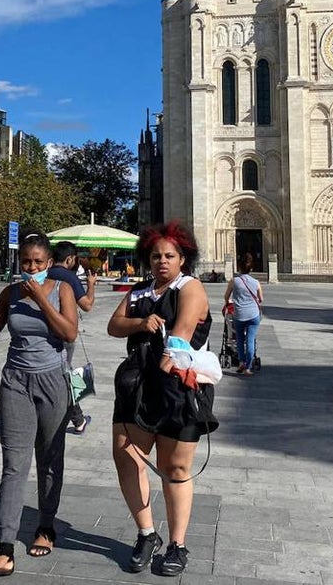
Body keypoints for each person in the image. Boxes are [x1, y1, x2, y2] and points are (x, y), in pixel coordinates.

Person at [0, 233, 78, 576]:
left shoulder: (60, 289)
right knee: (13, 462)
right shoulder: (10, 294)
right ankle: (5, 545)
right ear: (19, 263)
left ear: (49, 263)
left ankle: (46, 525)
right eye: (26, 262)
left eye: (38, 262)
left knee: (50, 456)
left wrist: (42, 299)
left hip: (52, 380)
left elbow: (69, 333)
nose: (32, 268)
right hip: (15, 382)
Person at [108, 221, 216, 577]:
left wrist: (168, 360)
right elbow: (114, 325)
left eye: (169, 255)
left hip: (177, 389)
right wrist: (140, 324)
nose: (162, 262)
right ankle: (146, 533)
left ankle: (177, 544)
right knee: (127, 457)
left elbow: (182, 333)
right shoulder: (140, 291)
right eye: (155, 256)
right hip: (137, 387)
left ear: (183, 258)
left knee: (175, 468)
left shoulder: (191, 288)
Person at [49, 240, 97, 434]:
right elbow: (87, 304)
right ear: (70, 259)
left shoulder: (47, 273)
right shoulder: (68, 277)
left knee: (60, 374)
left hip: (46, 331)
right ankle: (78, 419)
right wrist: (91, 285)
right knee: (66, 377)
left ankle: (77, 418)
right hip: (65, 333)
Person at [221, 253, 263, 375]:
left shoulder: (234, 281)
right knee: (250, 340)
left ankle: (241, 362)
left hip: (239, 314)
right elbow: (261, 299)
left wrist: (230, 302)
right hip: (253, 315)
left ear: (239, 268)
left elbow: (226, 297)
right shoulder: (256, 282)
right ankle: (248, 368)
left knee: (239, 339)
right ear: (252, 268)